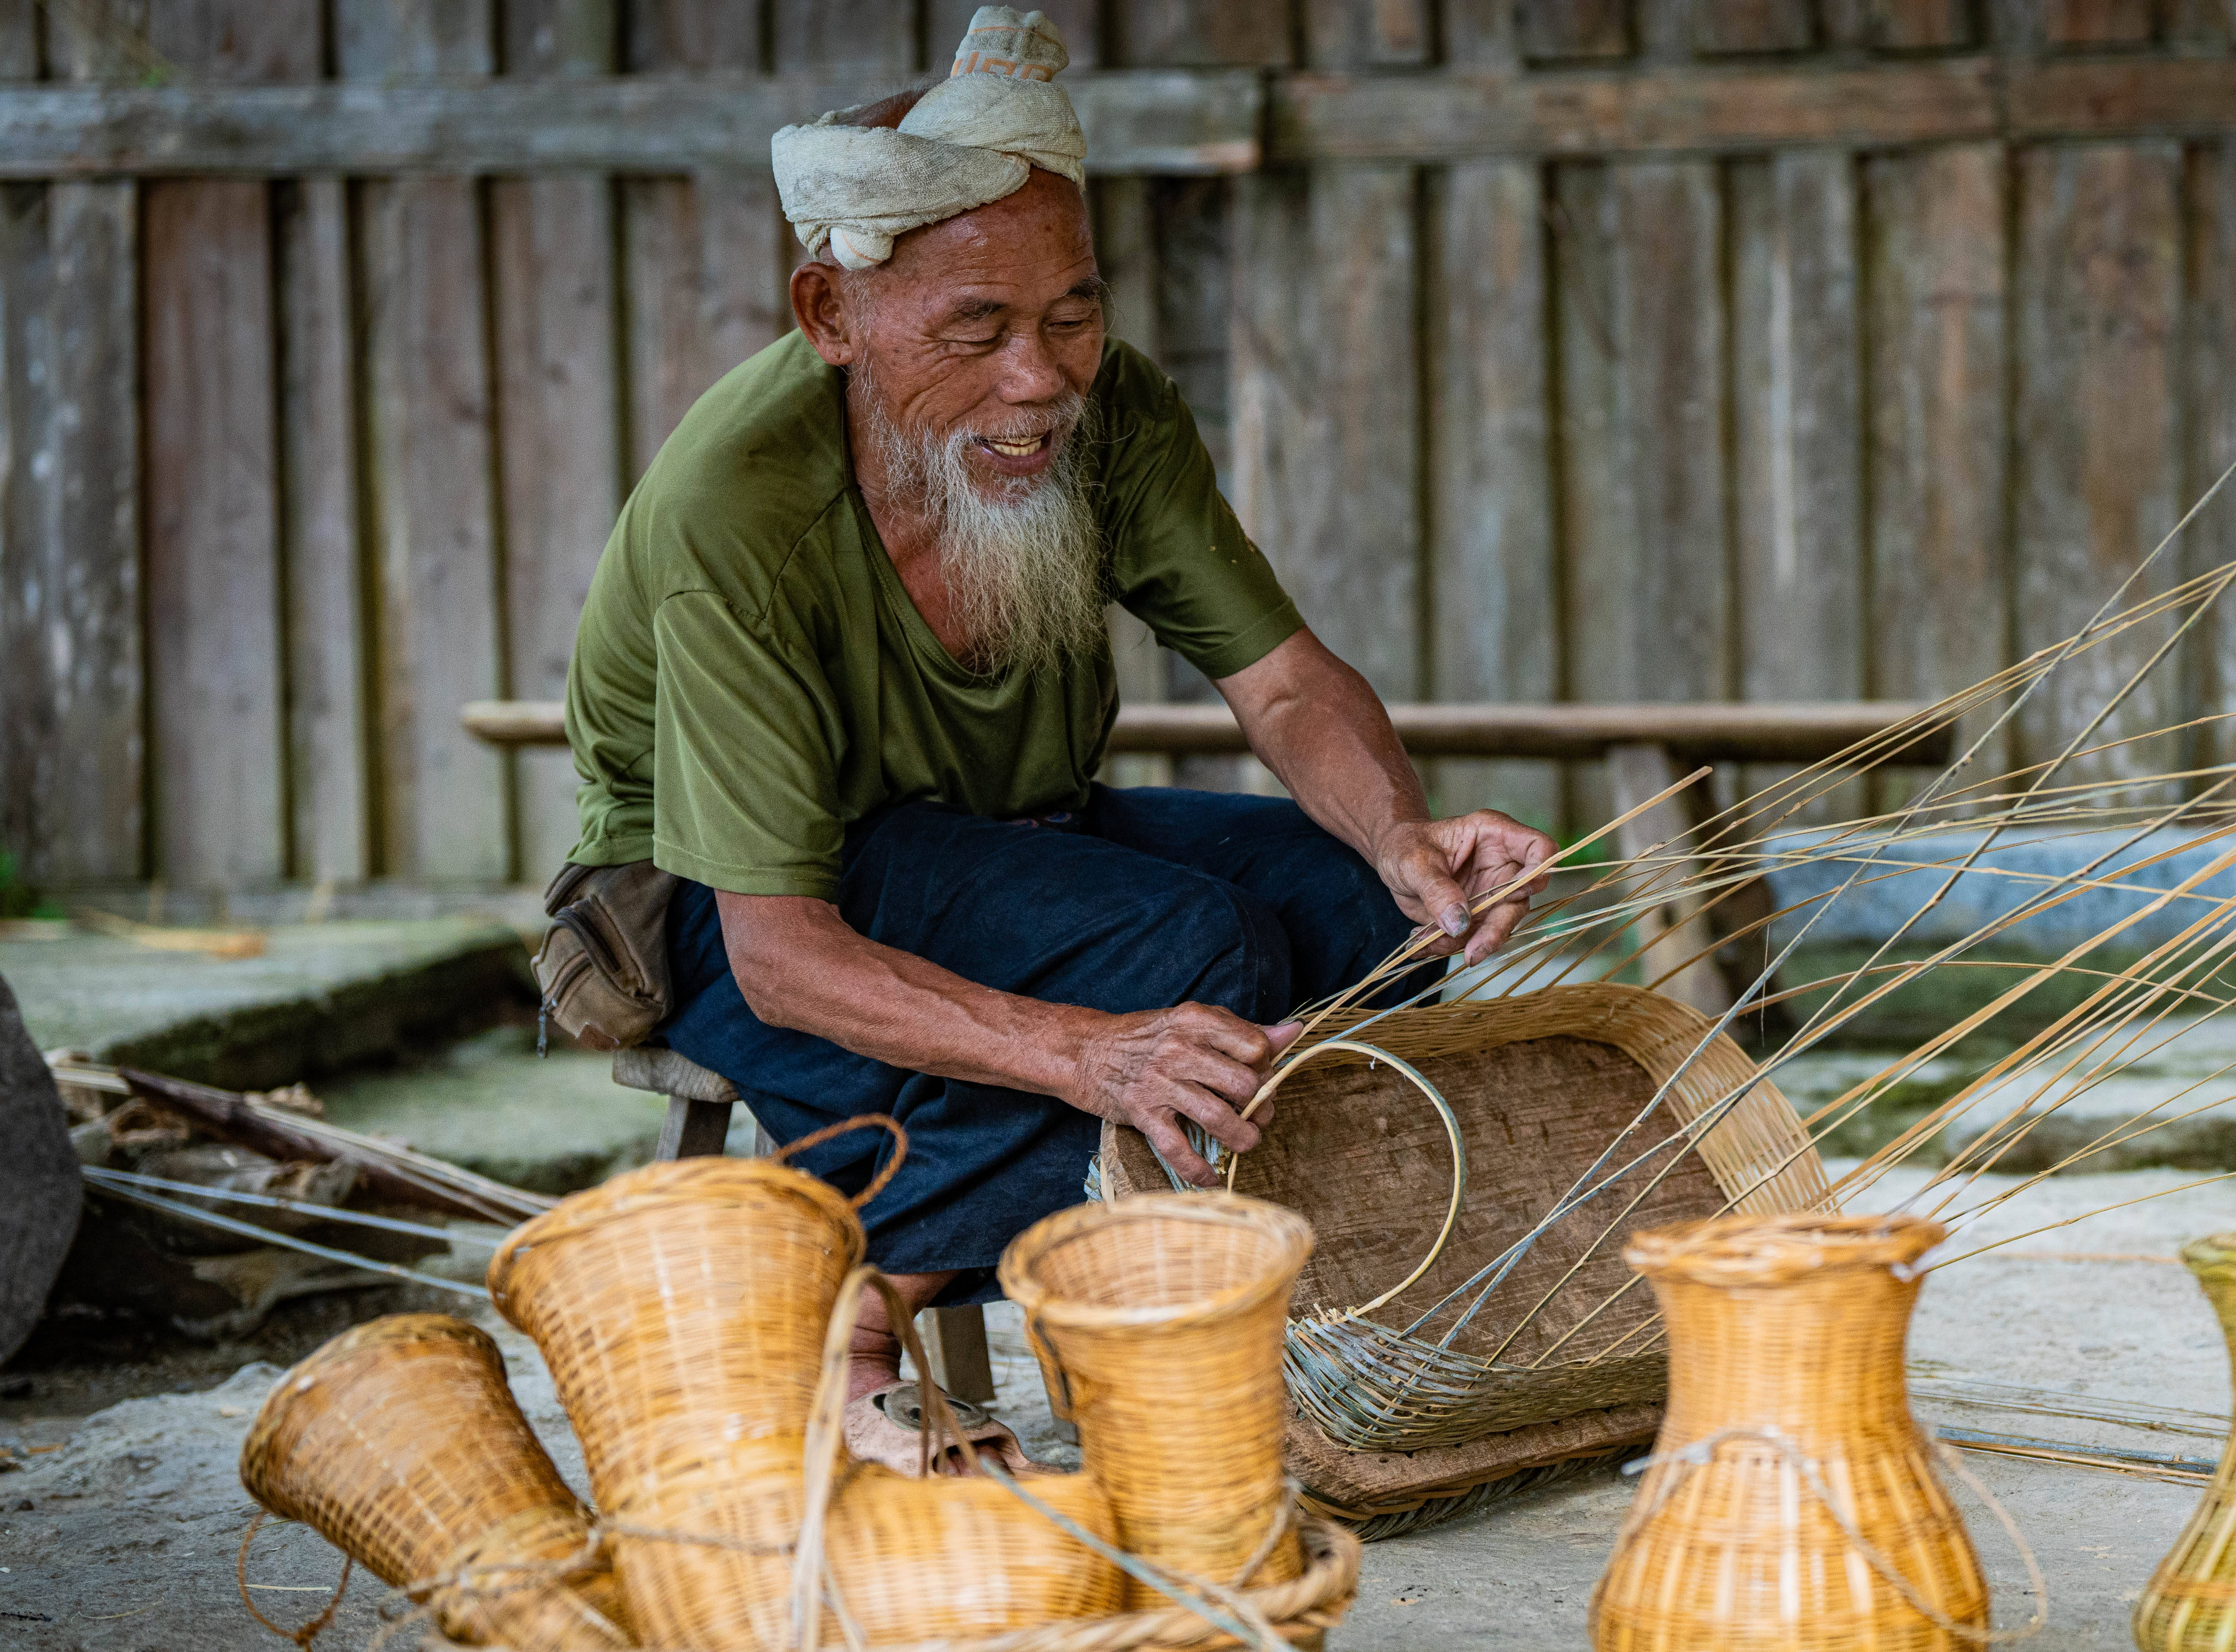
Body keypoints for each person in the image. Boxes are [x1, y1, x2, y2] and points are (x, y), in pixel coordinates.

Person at [561, 9, 1553, 1469]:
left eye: (1071, 314)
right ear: (833, 319)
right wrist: (1096, 1057)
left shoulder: (1111, 412)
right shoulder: (742, 506)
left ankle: (1219, 1287)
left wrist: (1402, 836)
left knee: (1362, 912)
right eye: (976, 329)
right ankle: (862, 1308)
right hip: (724, 902)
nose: (1041, 378)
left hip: (1010, 838)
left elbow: (1281, 684)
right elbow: (782, 955)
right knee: (1185, 957)